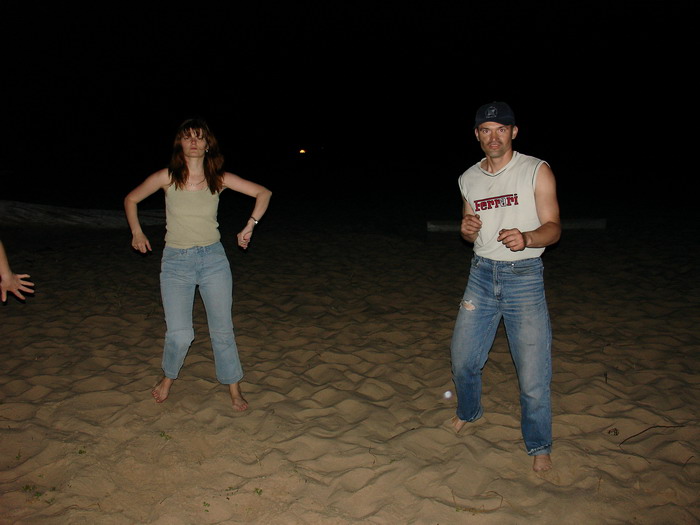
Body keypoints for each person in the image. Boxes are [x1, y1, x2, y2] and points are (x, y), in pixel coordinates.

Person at [124, 118, 271, 411]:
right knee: (180, 334)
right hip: (176, 262)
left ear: (207, 145)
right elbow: (131, 199)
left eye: (199, 137)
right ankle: (168, 377)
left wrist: (250, 225)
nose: (193, 141)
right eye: (187, 136)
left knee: (222, 329)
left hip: (213, 259)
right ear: (180, 143)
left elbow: (263, 193)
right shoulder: (167, 177)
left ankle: (234, 388)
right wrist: (137, 232)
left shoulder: (218, 178)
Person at [449, 102, 561, 472]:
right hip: (481, 275)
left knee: (532, 373)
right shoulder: (468, 178)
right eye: (486, 130)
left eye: (501, 129)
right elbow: (470, 227)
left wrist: (527, 237)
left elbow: (553, 227)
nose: (493, 137)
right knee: (463, 359)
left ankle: (539, 444)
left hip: (524, 278)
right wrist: (466, 230)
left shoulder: (536, 170)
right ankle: (469, 411)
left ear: (514, 132)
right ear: (477, 134)